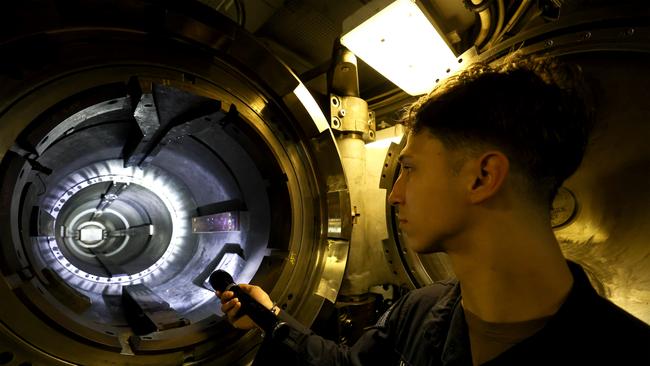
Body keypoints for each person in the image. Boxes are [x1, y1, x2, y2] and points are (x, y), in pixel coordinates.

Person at [217, 55, 650, 365]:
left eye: (410, 168)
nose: (393, 195)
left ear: (482, 177)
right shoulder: (421, 312)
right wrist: (270, 318)